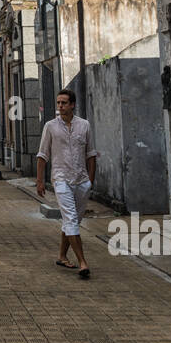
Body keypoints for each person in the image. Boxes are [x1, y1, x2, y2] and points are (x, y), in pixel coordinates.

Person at [36, 88, 99, 279]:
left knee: (73, 220)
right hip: (61, 178)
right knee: (71, 218)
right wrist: (40, 181)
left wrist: (90, 180)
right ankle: (83, 262)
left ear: (72, 105)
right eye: (58, 103)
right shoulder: (50, 126)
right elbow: (42, 155)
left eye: (64, 103)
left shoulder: (85, 125)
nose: (60, 106)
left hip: (81, 180)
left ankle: (62, 255)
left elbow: (91, 154)